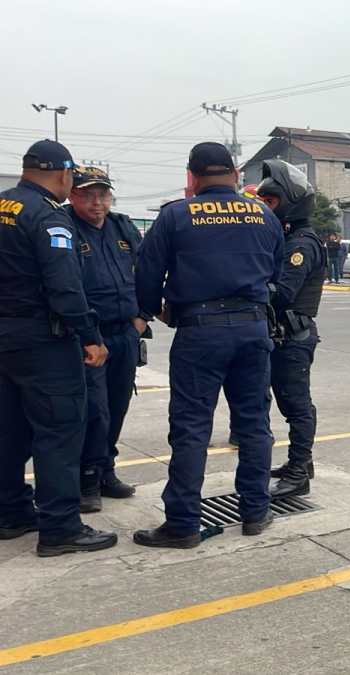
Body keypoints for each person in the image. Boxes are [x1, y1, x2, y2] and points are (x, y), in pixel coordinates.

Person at [133, 142, 283, 548]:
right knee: (253, 424)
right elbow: (276, 270)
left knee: (191, 429)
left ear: (192, 177)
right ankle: (255, 511)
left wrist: (153, 310)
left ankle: (183, 523)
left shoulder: (176, 216)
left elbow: (146, 273)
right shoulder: (264, 215)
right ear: (235, 173)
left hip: (200, 331)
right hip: (253, 329)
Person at [0, 140, 117, 557]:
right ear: (65, 174)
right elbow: (65, 288)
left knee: (10, 430)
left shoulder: (4, 205)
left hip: (6, 339)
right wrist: (90, 336)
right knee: (60, 431)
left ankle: (11, 512)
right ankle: (61, 527)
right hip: (43, 342)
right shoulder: (50, 219)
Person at [66, 166, 144, 512]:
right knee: (93, 410)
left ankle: (106, 469)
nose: (97, 202)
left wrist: (141, 318)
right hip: (88, 336)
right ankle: (86, 476)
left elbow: (148, 271)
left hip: (125, 332)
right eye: (88, 194)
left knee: (117, 405)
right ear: (73, 195)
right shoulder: (64, 227)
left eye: (103, 194)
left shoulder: (122, 227)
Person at [255, 160, 326, 498]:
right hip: (282, 335)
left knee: (297, 404)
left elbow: (283, 293)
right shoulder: (286, 237)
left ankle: (299, 471)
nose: (262, 209)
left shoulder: (302, 243)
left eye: (269, 203)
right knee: (288, 402)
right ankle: (300, 462)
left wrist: (247, 286)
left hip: (294, 336)